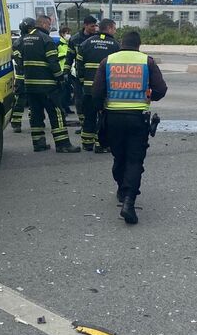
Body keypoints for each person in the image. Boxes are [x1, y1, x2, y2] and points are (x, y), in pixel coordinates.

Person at [92, 31, 167, 225]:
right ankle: (129, 201)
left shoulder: (107, 61)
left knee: (119, 156)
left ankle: (122, 189)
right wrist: (150, 96)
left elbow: (97, 92)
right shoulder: (146, 62)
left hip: (113, 118)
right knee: (135, 160)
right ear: (138, 45)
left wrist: (102, 109)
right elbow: (161, 89)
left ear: (121, 44)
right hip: (137, 118)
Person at [17, 14, 81, 153]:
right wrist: (60, 79)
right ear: (45, 24)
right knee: (56, 113)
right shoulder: (46, 39)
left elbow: (20, 62)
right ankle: (63, 144)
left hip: (30, 85)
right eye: (49, 24)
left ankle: (39, 144)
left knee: (36, 114)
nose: (50, 27)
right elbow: (53, 62)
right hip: (47, 86)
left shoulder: (24, 39)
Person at [77, 19, 120, 152]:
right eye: (114, 28)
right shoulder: (115, 45)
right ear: (109, 28)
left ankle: (86, 142)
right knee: (103, 117)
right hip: (105, 90)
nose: (115, 31)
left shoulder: (85, 43)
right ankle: (100, 144)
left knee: (89, 115)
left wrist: (83, 81)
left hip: (88, 88)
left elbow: (79, 67)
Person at [65, 16, 99, 132]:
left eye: (95, 25)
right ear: (85, 25)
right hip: (78, 76)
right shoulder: (75, 39)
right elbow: (69, 57)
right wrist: (66, 72)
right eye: (92, 26)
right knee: (79, 102)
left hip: (95, 75)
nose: (94, 28)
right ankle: (84, 125)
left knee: (94, 101)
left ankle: (94, 124)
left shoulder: (98, 38)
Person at [10, 18, 34, 133]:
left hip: (22, 77)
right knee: (29, 100)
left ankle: (16, 123)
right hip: (26, 76)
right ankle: (31, 121)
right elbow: (20, 62)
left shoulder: (18, 42)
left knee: (21, 101)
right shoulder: (27, 42)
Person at [57, 25, 75, 116]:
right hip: (61, 70)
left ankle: (67, 107)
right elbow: (56, 56)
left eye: (69, 33)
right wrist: (64, 55)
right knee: (62, 92)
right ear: (62, 34)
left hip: (70, 71)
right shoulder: (58, 44)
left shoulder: (70, 44)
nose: (69, 35)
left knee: (68, 91)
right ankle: (62, 109)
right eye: (67, 33)